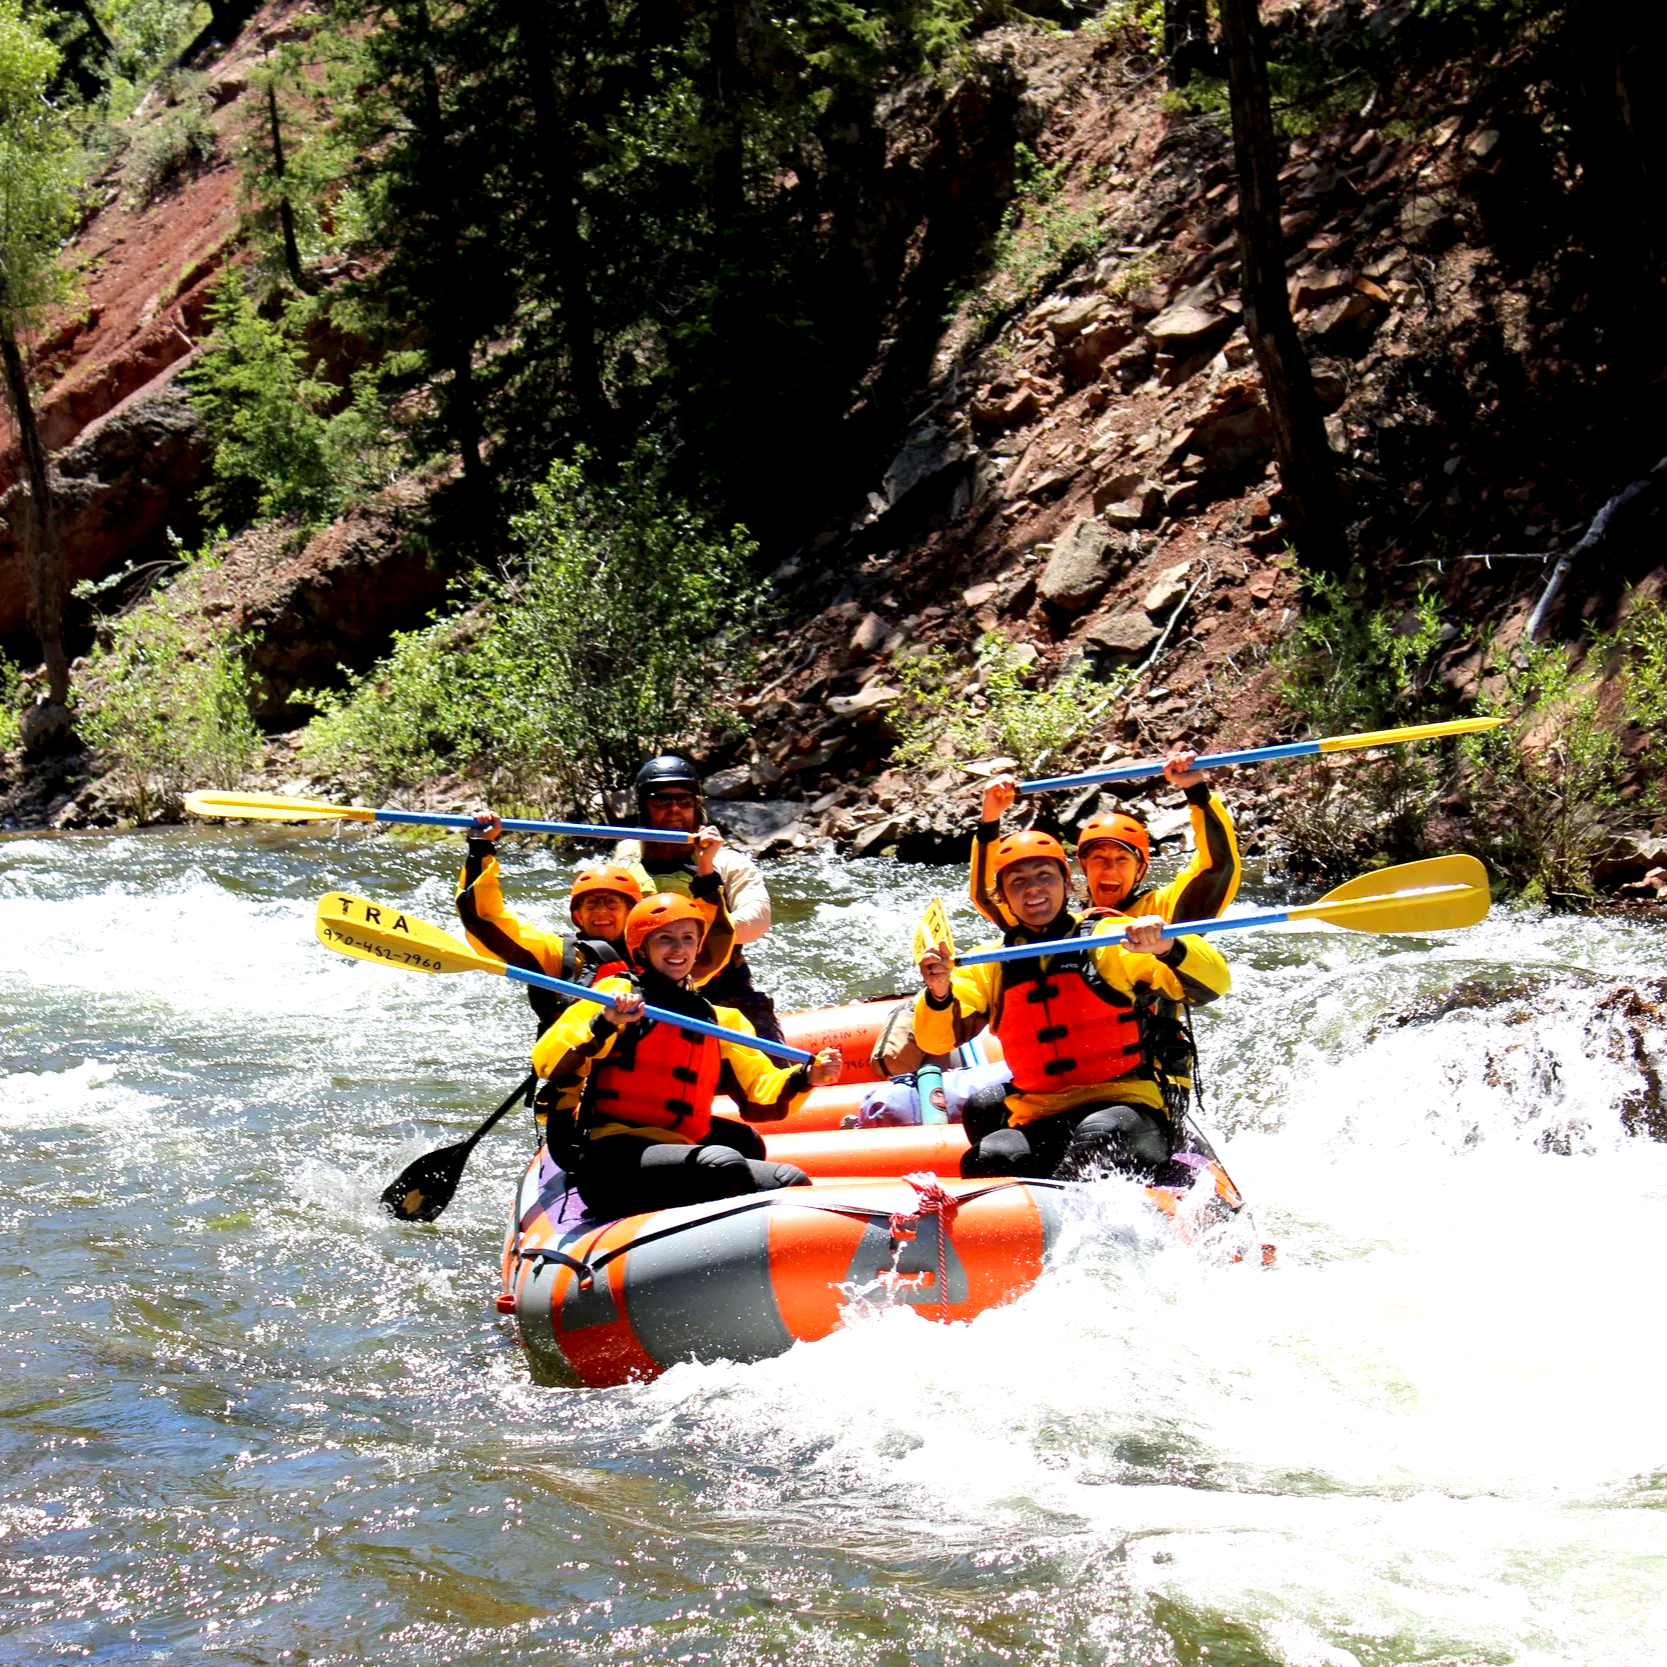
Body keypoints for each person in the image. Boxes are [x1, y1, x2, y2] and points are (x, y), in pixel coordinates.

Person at [914, 830, 1230, 1181]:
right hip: (1041, 1112)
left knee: (1100, 1135)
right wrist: (939, 993)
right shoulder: (988, 963)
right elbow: (935, 1043)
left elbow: (1215, 983)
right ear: (1002, 896)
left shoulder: (1110, 938)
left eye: (1044, 876)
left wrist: (1166, 945)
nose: (1033, 888)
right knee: (990, 1156)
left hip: (1128, 1104)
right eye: (1017, 881)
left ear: (1066, 882)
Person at [533, 894, 842, 1221]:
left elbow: (760, 1094)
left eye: (687, 939)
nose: (678, 948)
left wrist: (805, 1078)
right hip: (612, 1161)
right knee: (721, 1164)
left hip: (676, 1154)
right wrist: (605, 1022)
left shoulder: (718, 1020)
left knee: (787, 1180)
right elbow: (548, 1061)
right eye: (665, 939)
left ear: (698, 948)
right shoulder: (616, 996)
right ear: (642, 948)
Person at [971, 747, 1241, 930]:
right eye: (1099, 858)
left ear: (1141, 869)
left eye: (1122, 858)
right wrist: (990, 819)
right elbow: (987, 895)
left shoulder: (1165, 911)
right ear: (1083, 866)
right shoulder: (1050, 914)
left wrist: (1195, 790)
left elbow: (1219, 866)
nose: (1110, 869)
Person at [613, 754, 783, 1041]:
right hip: (646, 990)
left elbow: (757, 923)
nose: (675, 810)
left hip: (722, 990)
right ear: (644, 808)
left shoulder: (728, 863)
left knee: (779, 1073)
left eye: (684, 802)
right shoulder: (626, 860)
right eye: (662, 802)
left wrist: (682, 937)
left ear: (696, 808)